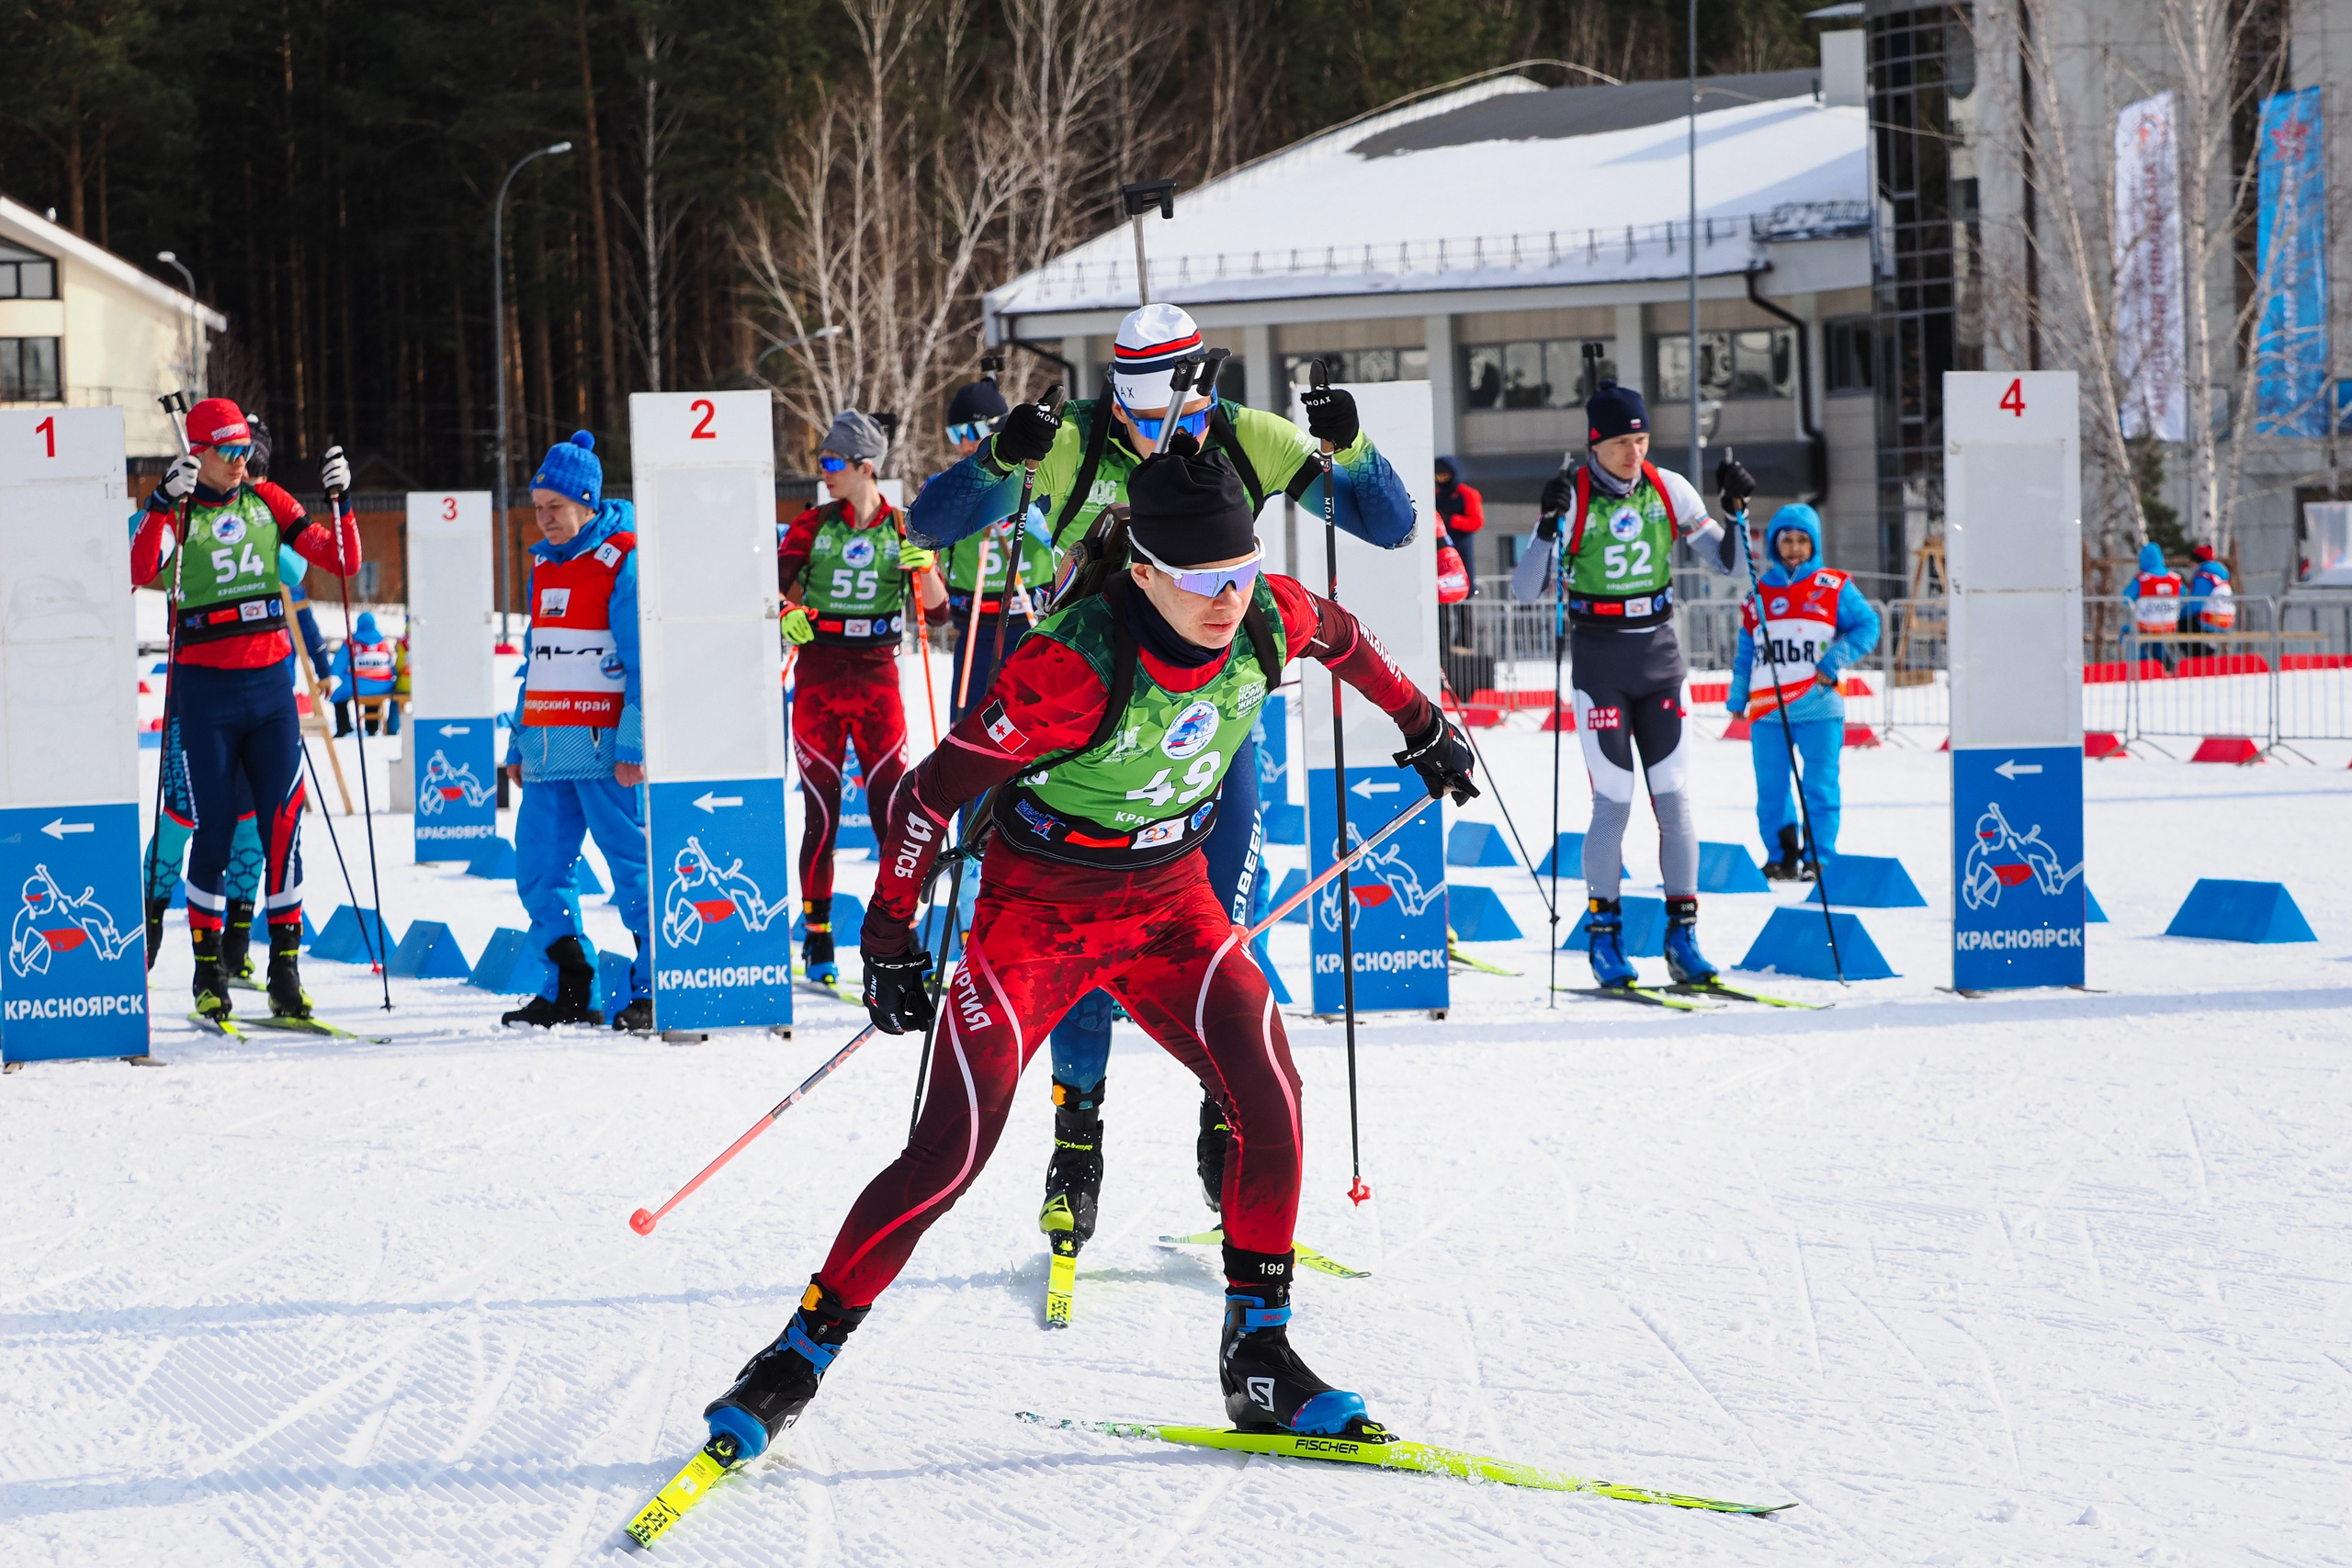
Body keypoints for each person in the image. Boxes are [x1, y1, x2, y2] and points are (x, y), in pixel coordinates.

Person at [695, 440, 1476, 1466]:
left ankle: (1260, 1353)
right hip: (1037, 918)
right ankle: (796, 1356)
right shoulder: (1067, 664)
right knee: (950, 1152)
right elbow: (930, 794)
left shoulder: (1271, 614)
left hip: (1169, 906)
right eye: (1201, 582)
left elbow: (1348, 638)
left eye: (1238, 575)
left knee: (1270, 1084)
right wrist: (888, 936)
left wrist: (1423, 725)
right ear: (1144, 574)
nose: (1226, 601)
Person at [905, 300, 1418, 1260]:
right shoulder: (1069, 446)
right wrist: (999, 461)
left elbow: (1388, 528)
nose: (1155, 436)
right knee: (1083, 948)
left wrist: (1351, 453)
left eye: (1170, 414)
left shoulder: (1249, 438)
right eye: (1135, 416)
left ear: (1203, 390)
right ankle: (1077, 1139)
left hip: (1209, 738)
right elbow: (929, 525)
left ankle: (1225, 1123)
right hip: (1083, 739)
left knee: (1226, 932)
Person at [129, 397, 360, 1022]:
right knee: (214, 828)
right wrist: (155, 506)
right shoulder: (177, 509)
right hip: (205, 693)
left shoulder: (270, 501)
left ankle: (284, 966)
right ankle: (207, 970)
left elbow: (342, 561)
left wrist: (342, 502)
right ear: (197, 452)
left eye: (245, 452)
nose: (240, 462)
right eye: (228, 452)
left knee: (284, 823)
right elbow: (138, 569)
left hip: (269, 691)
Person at [1510, 379, 1747, 990]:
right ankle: (1605, 938)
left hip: (1659, 654)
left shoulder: (1670, 488)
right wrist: (1544, 525)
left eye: (1641, 439)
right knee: (1613, 800)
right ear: (1595, 444)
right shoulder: (1577, 497)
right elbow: (1524, 588)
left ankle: (1683, 936)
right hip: (1600, 660)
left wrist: (1738, 515)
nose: (1633, 453)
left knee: (1673, 797)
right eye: (1621, 442)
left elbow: (1732, 567)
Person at [777, 409, 947, 987]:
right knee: (820, 815)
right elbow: (768, 591)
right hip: (821, 677)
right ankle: (818, 941)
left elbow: (941, 610)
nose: (822, 473)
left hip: (877, 678)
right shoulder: (811, 525)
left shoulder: (904, 527)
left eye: (831, 463)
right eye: (820, 462)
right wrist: (788, 614)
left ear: (864, 467)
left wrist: (924, 571)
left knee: (891, 815)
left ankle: (900, 937)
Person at [500, 431, 654, 1031]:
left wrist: (634, 742)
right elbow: (539, 655)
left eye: (555, 508)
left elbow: (639, 660)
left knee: (633, 869)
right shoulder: (543, 564)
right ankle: (569, 985)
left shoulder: (623, 558)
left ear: (586, 501)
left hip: (604, 747)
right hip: (547, 744)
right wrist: (519, 737)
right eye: (538, 508)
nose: (545, 519)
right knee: (538, 869)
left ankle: (654, 986)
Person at [1727, 504, 1881, 879]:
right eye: (1786, 540)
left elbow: (1867, 625)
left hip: (1819, 707)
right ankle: (1781, 856)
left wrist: (1834, 661)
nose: (1794, 548)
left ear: (1814, 543)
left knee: (1820, 787)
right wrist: (1738, 694)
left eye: (1802, 540)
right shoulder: (1759, 592)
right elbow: (1747, 649)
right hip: (1768, 711)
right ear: (1775, 544)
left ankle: (1819, 857)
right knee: (1772, 791)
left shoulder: (1834, 585)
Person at [936, 373, 1055, 723]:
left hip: (1030, 622)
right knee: (966, 725)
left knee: (1031, 725)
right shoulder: (954, 485)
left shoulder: (1037, 478)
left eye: (970, 433)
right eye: (954, 435)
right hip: (975, 627)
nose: (963, 445)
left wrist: (1032, 517)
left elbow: (1066, 536)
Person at [329, 611, 401, 736]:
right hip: (384, 685)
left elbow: (336, 668)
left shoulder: (351, 643)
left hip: (357, 685)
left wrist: (346, 677)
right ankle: (372, 728)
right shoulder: (382, 642)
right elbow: (392, 668)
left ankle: (344, 727)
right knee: (374, 689)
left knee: (338, 695)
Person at [2124, 542, 2183, 672]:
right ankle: (2168, 665)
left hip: (2146, 626)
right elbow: (2183, 594)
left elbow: (2125, 599)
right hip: (2169, 625)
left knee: (2127, 633)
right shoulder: (2174, 578)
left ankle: (2141, 664)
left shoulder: (2142, 580)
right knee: (2156, 642)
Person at [1433, 457, 1486, 581]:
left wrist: (1451, 520)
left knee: (1463, 576)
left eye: (1445, 476)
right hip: (1440, 543)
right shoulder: (1435, 495)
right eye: (1438, 477)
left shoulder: (1467, 494)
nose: (1442, 480)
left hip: (1461, 542)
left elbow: (1477, 522)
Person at [2184, 542, 2234, 637]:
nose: (2189, 566)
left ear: (2196, 562)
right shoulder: (2220, 577)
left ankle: (2203, 652)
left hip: (2210, 621)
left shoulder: (2204, 578)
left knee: (2184, 624)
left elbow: (2195, 603)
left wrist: (2179, 616)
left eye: (2191, 562)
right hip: (2226, 620)